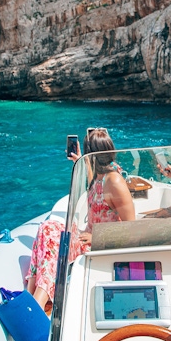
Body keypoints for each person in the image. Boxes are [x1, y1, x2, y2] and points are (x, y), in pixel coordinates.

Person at [25, 129, 135, 312]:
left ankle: (39, 300)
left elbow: (132, 227)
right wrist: (80, 161)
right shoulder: (100, 176)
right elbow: (93, 184)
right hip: (86, 236)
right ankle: (30, 292)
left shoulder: (115, 181)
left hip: (99, 244)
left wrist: (96, 238)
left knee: (54, 238)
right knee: (47, 227)